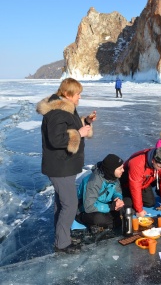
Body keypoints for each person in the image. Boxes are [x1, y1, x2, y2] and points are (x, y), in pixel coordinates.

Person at [36, 77, 97, 254]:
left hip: (64, 166)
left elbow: (69, 128)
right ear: (69, 94)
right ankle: (62, 243)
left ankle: (61, 237)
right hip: (60, 167)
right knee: (70, 204)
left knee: (62, 204)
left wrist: (86, 123)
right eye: (78, 94)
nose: (79, 97)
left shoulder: (65, 108)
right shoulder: (58, 112)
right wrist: (79, 132)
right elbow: (56, 139)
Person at [76, 154, 125, 232]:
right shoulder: (94, 181)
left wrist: (118, 199)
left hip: (103, 204)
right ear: (111, 170)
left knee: (126, 210)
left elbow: (117, 191)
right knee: (100, 219)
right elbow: (89, 207)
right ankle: (82, 218)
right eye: (120, 168)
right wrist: (111, 207)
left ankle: (106, 223)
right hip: (85, 209)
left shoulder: (113, 176)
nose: (123, 170)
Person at [120, 147, 161, 217]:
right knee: (130, 207)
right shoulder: (137, 163)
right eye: (160, 167)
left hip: (144, 183)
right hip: (128, 184)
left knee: (151, 203)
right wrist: (139, 210)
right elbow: (135, 187)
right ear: (153, 161)